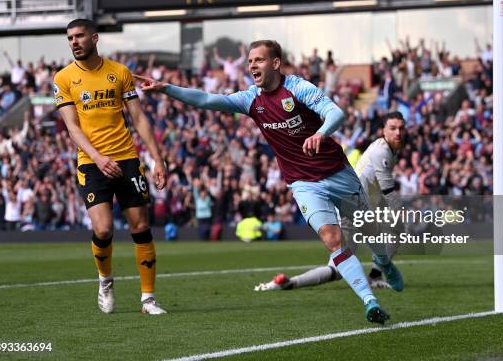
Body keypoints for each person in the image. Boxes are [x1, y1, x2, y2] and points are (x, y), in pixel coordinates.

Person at [134, 40, 390, 324]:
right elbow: (207, 100)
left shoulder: (298, 88)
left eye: (259, 60)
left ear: (276, 63)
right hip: (303, 182)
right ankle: (370, 301)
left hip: (336, 172)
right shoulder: (250, 99)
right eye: (250, 61)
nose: (252, 65)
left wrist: (321, 133)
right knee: (333, 240)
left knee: (370, 230)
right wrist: (165, 88)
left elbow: (336, 113)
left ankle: (385, 264)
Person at [53, 19, 167, 315]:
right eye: (70, 38)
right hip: (92, 163)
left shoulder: (119, 72)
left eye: (79, 36)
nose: (74, 42)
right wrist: (97, 157)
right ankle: (105, 280)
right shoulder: (63, 78)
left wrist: (157, 158)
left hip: (127, 159)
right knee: (102, 229)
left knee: (140, 226)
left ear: (95, 37)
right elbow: (72, 126)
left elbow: (139, 118)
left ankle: (148, 299)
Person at [254, 112, 407, 293]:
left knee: (343, 264)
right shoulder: (382, 151)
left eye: (401, 128)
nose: (398, 133)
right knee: (340, 266)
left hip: (358, 205)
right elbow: (387, 189)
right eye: (393, 128)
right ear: (383, 130)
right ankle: (289, 283)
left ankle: (374, 274)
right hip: (352, 207)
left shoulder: (386, 148)